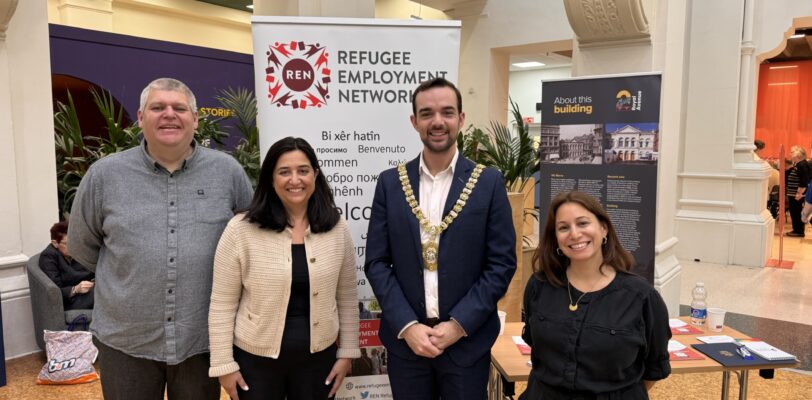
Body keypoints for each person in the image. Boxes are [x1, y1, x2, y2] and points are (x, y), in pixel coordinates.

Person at [68, 78, 254, 400]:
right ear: (141, 118)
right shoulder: (103, 176)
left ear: (195, 119)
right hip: (126, 342)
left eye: (179, 108)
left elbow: (250, 242)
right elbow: (84, 246)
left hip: (201, 341)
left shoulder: (228, 173)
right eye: (158, 107)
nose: (169, 114)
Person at [365, 77, 517, 399]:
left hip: (467, 343)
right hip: (408, 346)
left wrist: (459, 325)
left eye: (447, 112)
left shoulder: (488, 183)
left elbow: (501, 264)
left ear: (461, 119)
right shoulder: (390, 184)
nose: (438, 122)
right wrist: (408, 326)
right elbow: (377, 262)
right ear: (414, 121)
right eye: (427, 113)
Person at [208, 137, 359, 400]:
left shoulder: (336, 228)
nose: (295, 179)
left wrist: (347, 352)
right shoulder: (241, 229)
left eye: (303, 170)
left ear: (316, 175)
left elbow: (346, 297)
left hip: (318, 362)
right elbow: (222, 304)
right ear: (270, 178)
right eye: (284, 172)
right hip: (255, 364)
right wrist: (224, 364)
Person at [521, 191, 671, 399]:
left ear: (604, 228)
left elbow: (653, 368)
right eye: (563, 227)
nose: (574, 234)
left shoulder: (642, 297)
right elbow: (536, 346)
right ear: (556, 239)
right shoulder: (539, 286)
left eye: (583, 223)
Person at [39, 221, 94, 310]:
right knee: (104, 295)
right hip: (70, 301)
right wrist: (75, 289)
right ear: (55, 243)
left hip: (87, 291)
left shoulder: (74, 252)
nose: (73, 246)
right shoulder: (48, 257)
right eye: (68, 243)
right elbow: (54, 291)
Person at [785, 145, 810, 237]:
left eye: (792, 152)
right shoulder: (798, 164)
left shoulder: (802, 164)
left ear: (798, 154)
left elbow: (804, 180)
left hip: (797, 194)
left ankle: (798, 231)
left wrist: (799, 193)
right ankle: (797, 230)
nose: (790, 154)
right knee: (794, 211)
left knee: (796, 212)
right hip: (794, 193)